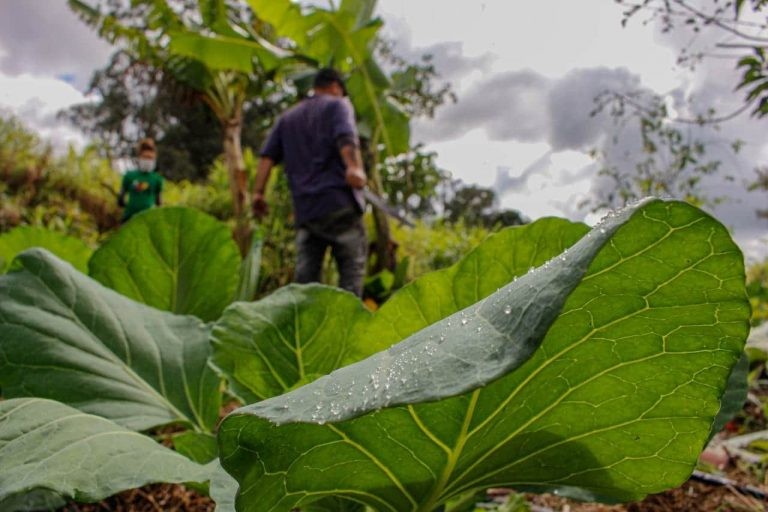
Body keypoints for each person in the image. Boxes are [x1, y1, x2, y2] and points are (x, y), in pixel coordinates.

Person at [252, 68, 368, 297]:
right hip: (338, 204)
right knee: (351, 275)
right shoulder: (338, 105)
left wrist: (258, 193)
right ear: (335, 86)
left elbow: (267, 158)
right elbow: (346, 137)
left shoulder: (287, 118)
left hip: (306, 211)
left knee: (306, 283)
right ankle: (349, 320)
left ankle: (306, 320)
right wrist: (354, 167)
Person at [118, 138, 163, 223]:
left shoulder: (157, 179)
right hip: (129, 218)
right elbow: (121, 198)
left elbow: (159, 202)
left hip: (149, 220)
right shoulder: (129, 176)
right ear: (139, 157)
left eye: (150, 158)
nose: (148, 161)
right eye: (145, 157)